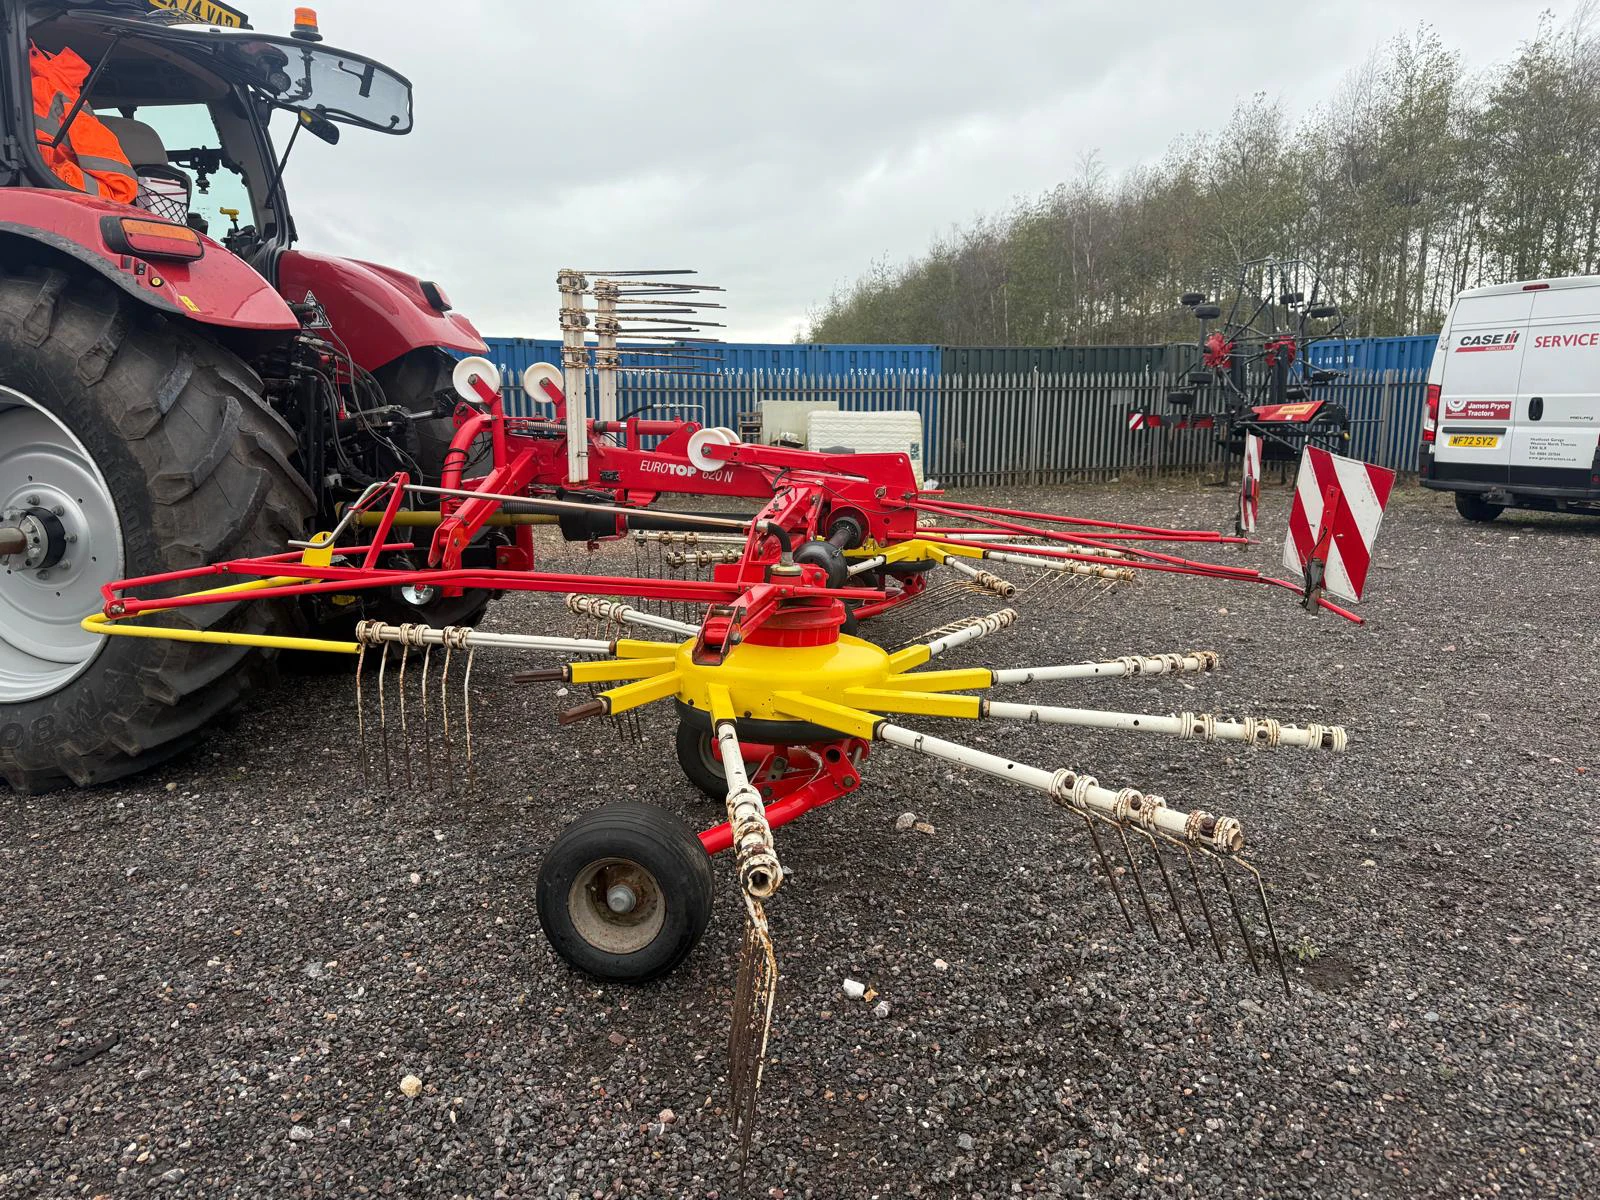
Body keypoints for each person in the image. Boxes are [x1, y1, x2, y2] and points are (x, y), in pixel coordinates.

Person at [30, 42, 139, 203]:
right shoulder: (50, 89)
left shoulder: (52, 90)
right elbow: (121, 189)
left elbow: (119, 189)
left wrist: (41, 176)